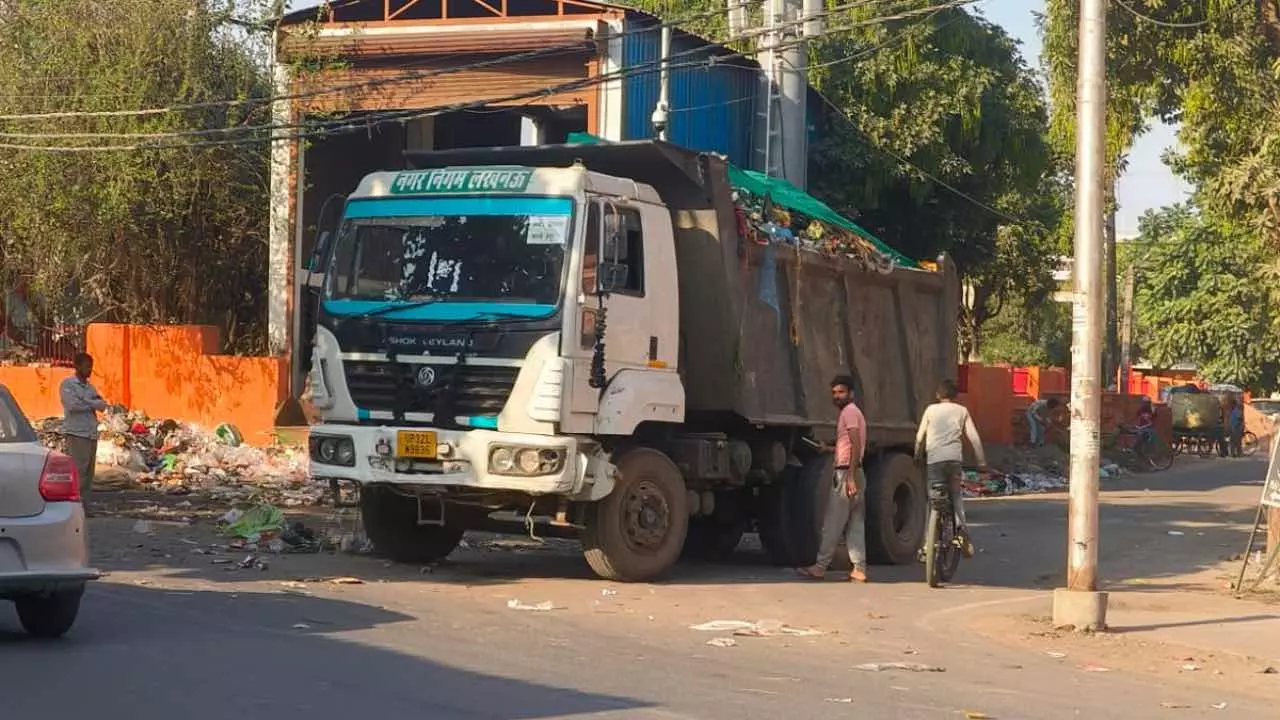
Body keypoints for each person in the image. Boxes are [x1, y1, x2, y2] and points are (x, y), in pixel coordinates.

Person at [797, 375, 869, 583]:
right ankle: (859, 568)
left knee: (832, 523)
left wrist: (850, 477)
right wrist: (827, 448)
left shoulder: (849, 413)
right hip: (855, 471)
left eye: (841, 392)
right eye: (835, 393)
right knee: (855, 523)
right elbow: (848, 445)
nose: (837, 396)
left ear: (851, 394)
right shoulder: (853, 413)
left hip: (847, 473)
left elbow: (855, 443)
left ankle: (820, 567)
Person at [914, 379, 985, 557]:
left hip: (934, 461)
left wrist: (917, 454)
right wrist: (982, 462)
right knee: (955, 495)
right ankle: (963, 533)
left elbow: (920, 435)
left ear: (938, 395)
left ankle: (926, 546)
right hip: (954, 460)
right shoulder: (962, 411)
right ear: (956, 396)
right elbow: (974, 437)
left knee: (932, 501)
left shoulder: (930, 410)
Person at [59, 352, 108, 497]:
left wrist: (85, 401)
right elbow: (72, 406)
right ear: (77, 366)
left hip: (91, 433)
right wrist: (91, 403)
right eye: (87, 367)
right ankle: (74, 505)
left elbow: (102, 404)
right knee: (78, 472)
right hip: (77, 433)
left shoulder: (90, 388)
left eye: (91, 367)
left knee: (88, 474)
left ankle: (85, 506)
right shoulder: (68, 384)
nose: (89, 370)